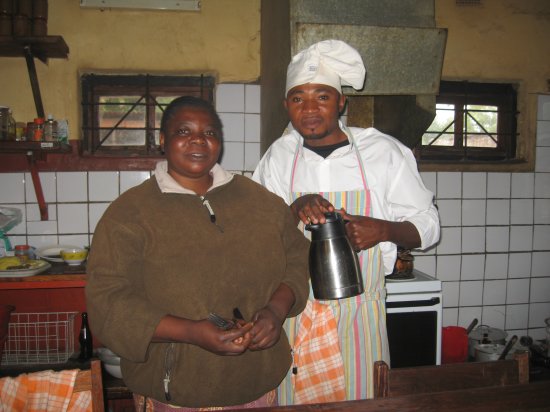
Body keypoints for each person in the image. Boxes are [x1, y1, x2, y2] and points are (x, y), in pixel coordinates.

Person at [85, 96, 310, 410]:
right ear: (163, 139)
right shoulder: (130, 213)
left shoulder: (258, 201)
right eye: (183, 131)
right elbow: (107, 303)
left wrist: (275, 310)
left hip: (258, 385)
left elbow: (298, 258)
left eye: (210, 133)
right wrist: (192, 332)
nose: (198, 140)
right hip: (176, 395)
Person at [252, 39, 440, 404]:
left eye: (321, 97)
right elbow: (258, 232)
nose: (309, 109)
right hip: (295, 313)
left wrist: (384, 230)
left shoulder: (382, 152)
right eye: (297, 98)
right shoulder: (279, 156)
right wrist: (293, 209)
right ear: (286, 105)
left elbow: (429, 226)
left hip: (360, 317)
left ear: (341, 101)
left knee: (363, 402)